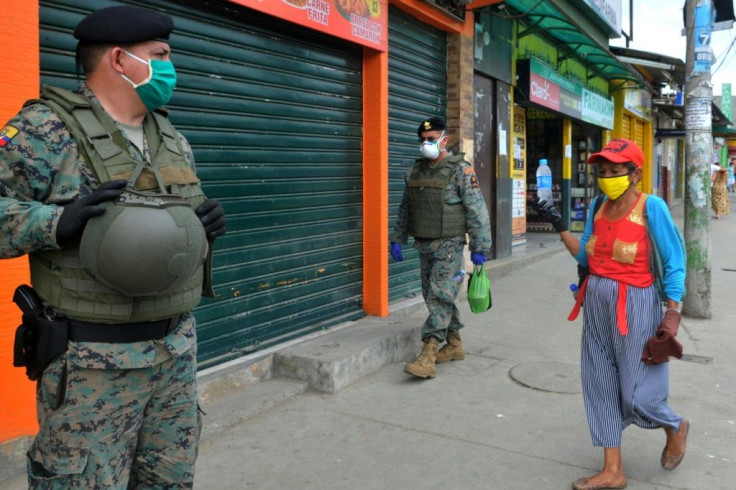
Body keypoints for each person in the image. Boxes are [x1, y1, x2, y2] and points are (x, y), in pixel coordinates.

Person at [0, 6, 226, 488]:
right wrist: (56, 223)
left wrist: (199, 226)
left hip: (174, 351)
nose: (169, 66)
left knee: (169, 478)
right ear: (121, 61)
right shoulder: (44, 131)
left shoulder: (169, 136)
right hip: (92, 365)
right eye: (160, 55)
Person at [534, 139, 687, 490]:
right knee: (599, 383)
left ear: (635, 174)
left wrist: (673, 311)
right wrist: (559, 225)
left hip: (636, 304)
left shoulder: (653, 208)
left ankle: (674, 425)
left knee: (636, 391)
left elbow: (675, 263)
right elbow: (585, 258)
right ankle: (613, 471)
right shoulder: (598, 205)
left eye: (615, 171)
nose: (607, 178)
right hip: (597, 303)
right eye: (602, 172)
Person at [390, 117, 492, 379]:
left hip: (450, 244)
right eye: (423, 140)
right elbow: (406, 207)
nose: (426, 143)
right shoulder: (416, 170)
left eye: (432, 139)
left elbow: (477, 210)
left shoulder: (460, 170)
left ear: (444, 140)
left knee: (439, 295)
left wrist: (480, 247)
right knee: (433, 295)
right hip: (423, 243)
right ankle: (455, 345)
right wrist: (397, 237)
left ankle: (429, 354)